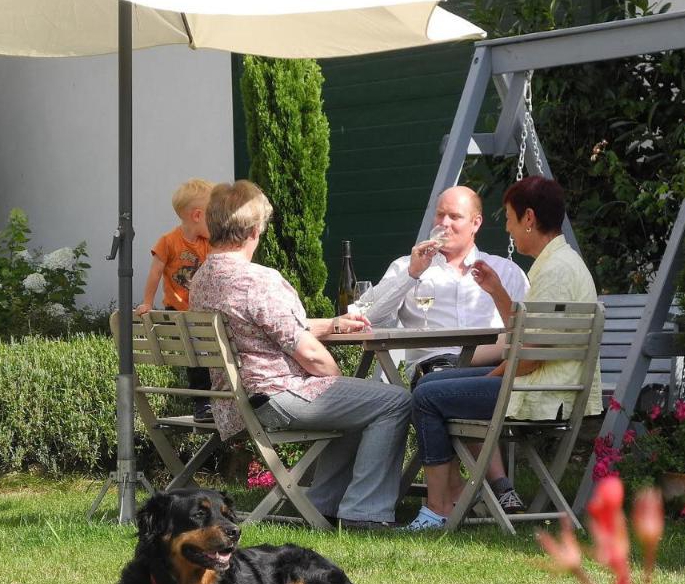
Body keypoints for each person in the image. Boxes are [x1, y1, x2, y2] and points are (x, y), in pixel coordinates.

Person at [189, 181, 412, 530]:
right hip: (276, 394)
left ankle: (324, 503)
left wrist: (333, 324)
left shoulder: (202, 278)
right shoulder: (258, 280)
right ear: (254, 229)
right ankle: (364, 513)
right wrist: (334, 376)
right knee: (393, 401)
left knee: (359, 403)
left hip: (236, 400)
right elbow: (308, 353)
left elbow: (258, 325)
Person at [405, 175, 603, 531]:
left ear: (529, 218)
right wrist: (498, 293)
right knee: (438, 384)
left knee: (428, 395)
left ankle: (438, 509)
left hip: (538, 387)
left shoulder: (554, 272)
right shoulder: (561, 263)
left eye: (510, 219)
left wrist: (489, 376)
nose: (509, 230)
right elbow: (528, 343)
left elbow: (529, 358)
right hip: (546, 381)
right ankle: (464, 495)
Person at [360, 185, 529, 384]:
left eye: (454, 216)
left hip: (495, 369)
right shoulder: (407, 266)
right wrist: (411, 274)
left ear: (475, 223)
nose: (444, 223)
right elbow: (367, 318)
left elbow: (530, 331)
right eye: (440, 215)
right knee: (437, 385)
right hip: (437, 370)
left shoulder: (506, 271)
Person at [136, 177, 214, 421]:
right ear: (197, 215)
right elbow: (155, 272)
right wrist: (147, 302)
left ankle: (217, 402)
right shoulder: (168, 241)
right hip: (178, 313)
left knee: (211, 355)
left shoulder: (209, 243)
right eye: (214, 215)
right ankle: (202, 405)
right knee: (197, 357)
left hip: (202, 312)